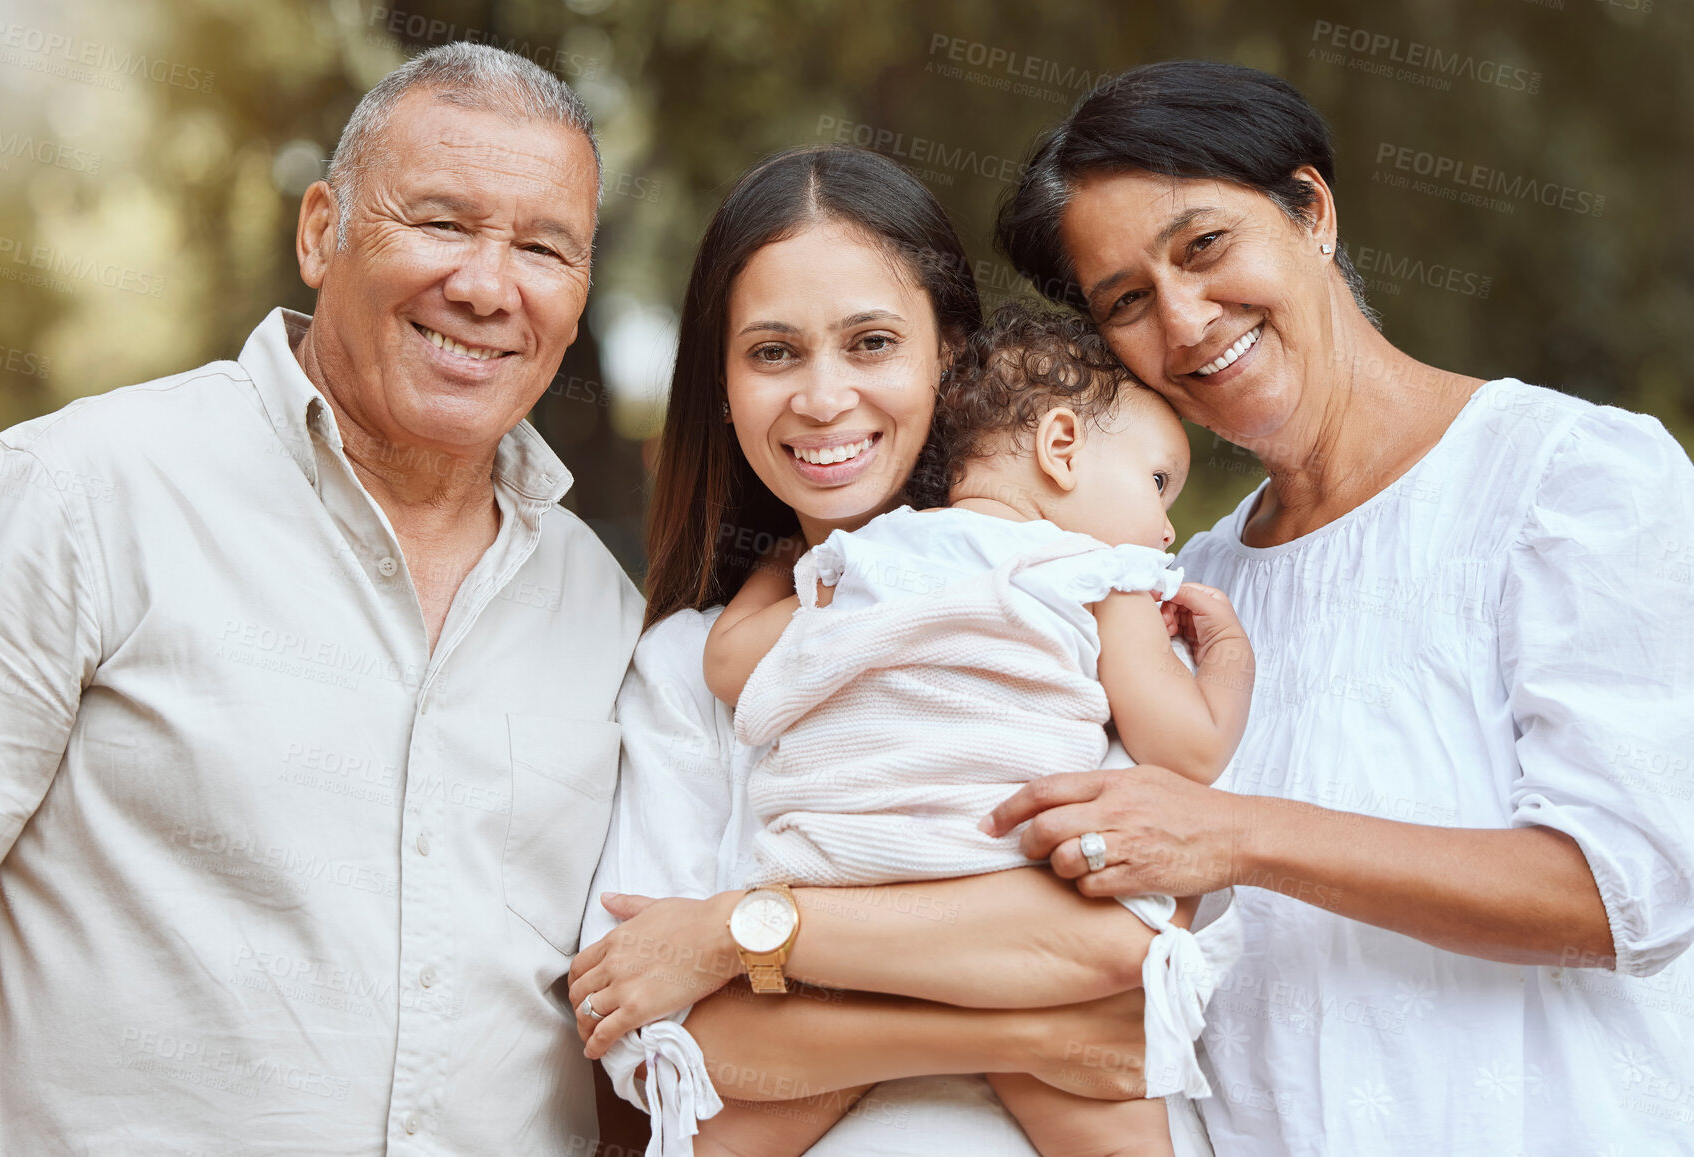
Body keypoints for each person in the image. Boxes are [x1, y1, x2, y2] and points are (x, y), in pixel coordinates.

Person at [985, 59, 1694, 1154]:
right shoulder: (1179, 595)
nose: (1182, 321)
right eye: (1125, 300)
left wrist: (1236, 835)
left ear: (1309, 211)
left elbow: (1623, 890)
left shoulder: (1566, 477)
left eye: (1203, 246)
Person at [0, 44, 641, 1153]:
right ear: (321, 230)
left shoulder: (602, 609)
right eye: (438, 221)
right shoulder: (84, 493)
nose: (484, 284)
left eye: (542, 247)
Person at [570, 144, 1231, 1157]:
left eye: (870, 341)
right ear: (722, 379)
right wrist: (1032, 1027)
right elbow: (679, 1063)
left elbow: (1117, 941)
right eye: (773, 351)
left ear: (948, 356)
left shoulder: (1060, 603)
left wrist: (734, 935)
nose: (823, 396)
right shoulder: (687, 666)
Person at [684, 303, 1255, 1155]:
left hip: (837, 894)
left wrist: (780, 566)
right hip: (1003, 915)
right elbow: (1191, 747)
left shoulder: (867, 559)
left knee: (721, 1130)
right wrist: (1227, 656)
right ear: (1060, 446)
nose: (1167, 525)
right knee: (1115, 1126)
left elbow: (729, 663)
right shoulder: (1096, 575)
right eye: (1156, 481)